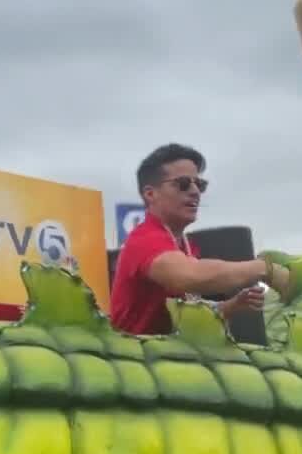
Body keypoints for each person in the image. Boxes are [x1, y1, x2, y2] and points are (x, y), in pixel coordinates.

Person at [109, 143, 292, 335]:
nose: (195, 191)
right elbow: (190, 276)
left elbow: (188, 315)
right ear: (150, 194)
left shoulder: (185, 246)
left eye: (200, 184)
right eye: (183, 184)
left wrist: (233, 305)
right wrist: (264, 269)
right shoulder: (145, 239)